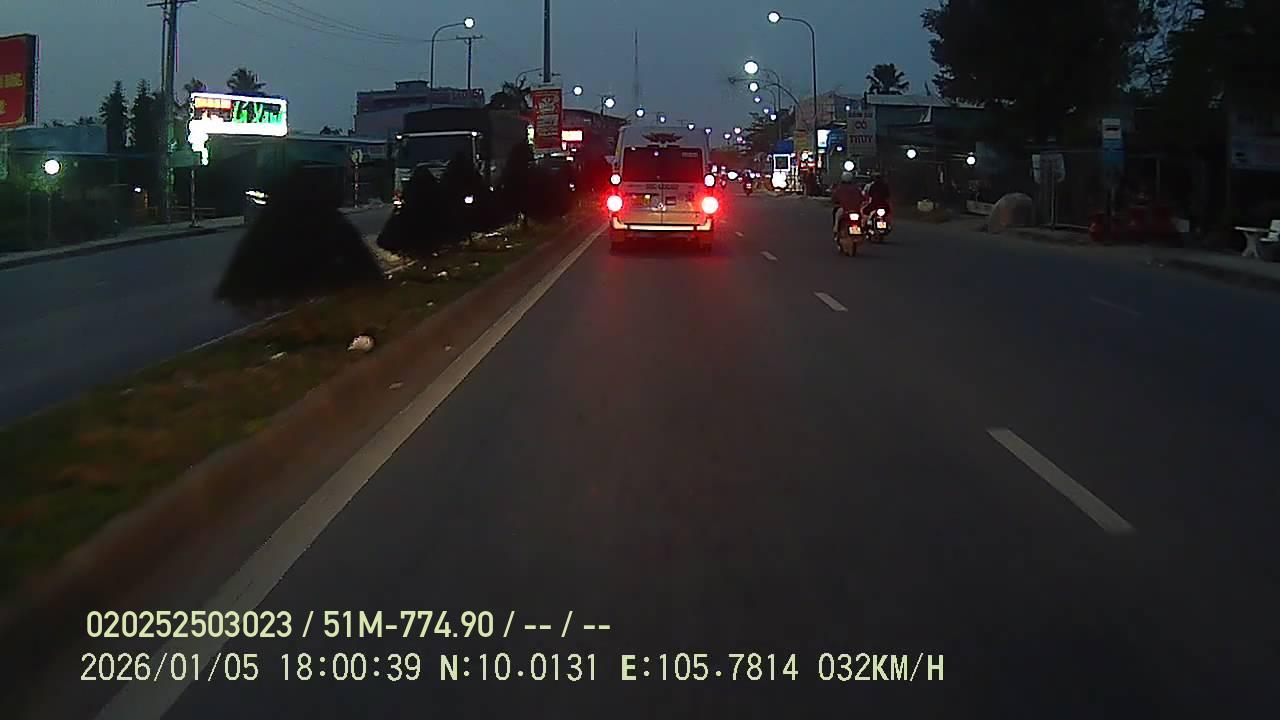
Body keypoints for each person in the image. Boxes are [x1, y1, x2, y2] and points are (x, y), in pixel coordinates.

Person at [831, 171, 865, 237]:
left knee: (836, 214)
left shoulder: (839, 188)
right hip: (855, 210)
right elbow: (862, 198)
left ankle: (836, 228)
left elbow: (834, 198)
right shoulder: (856, 188)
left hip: (844, 210)